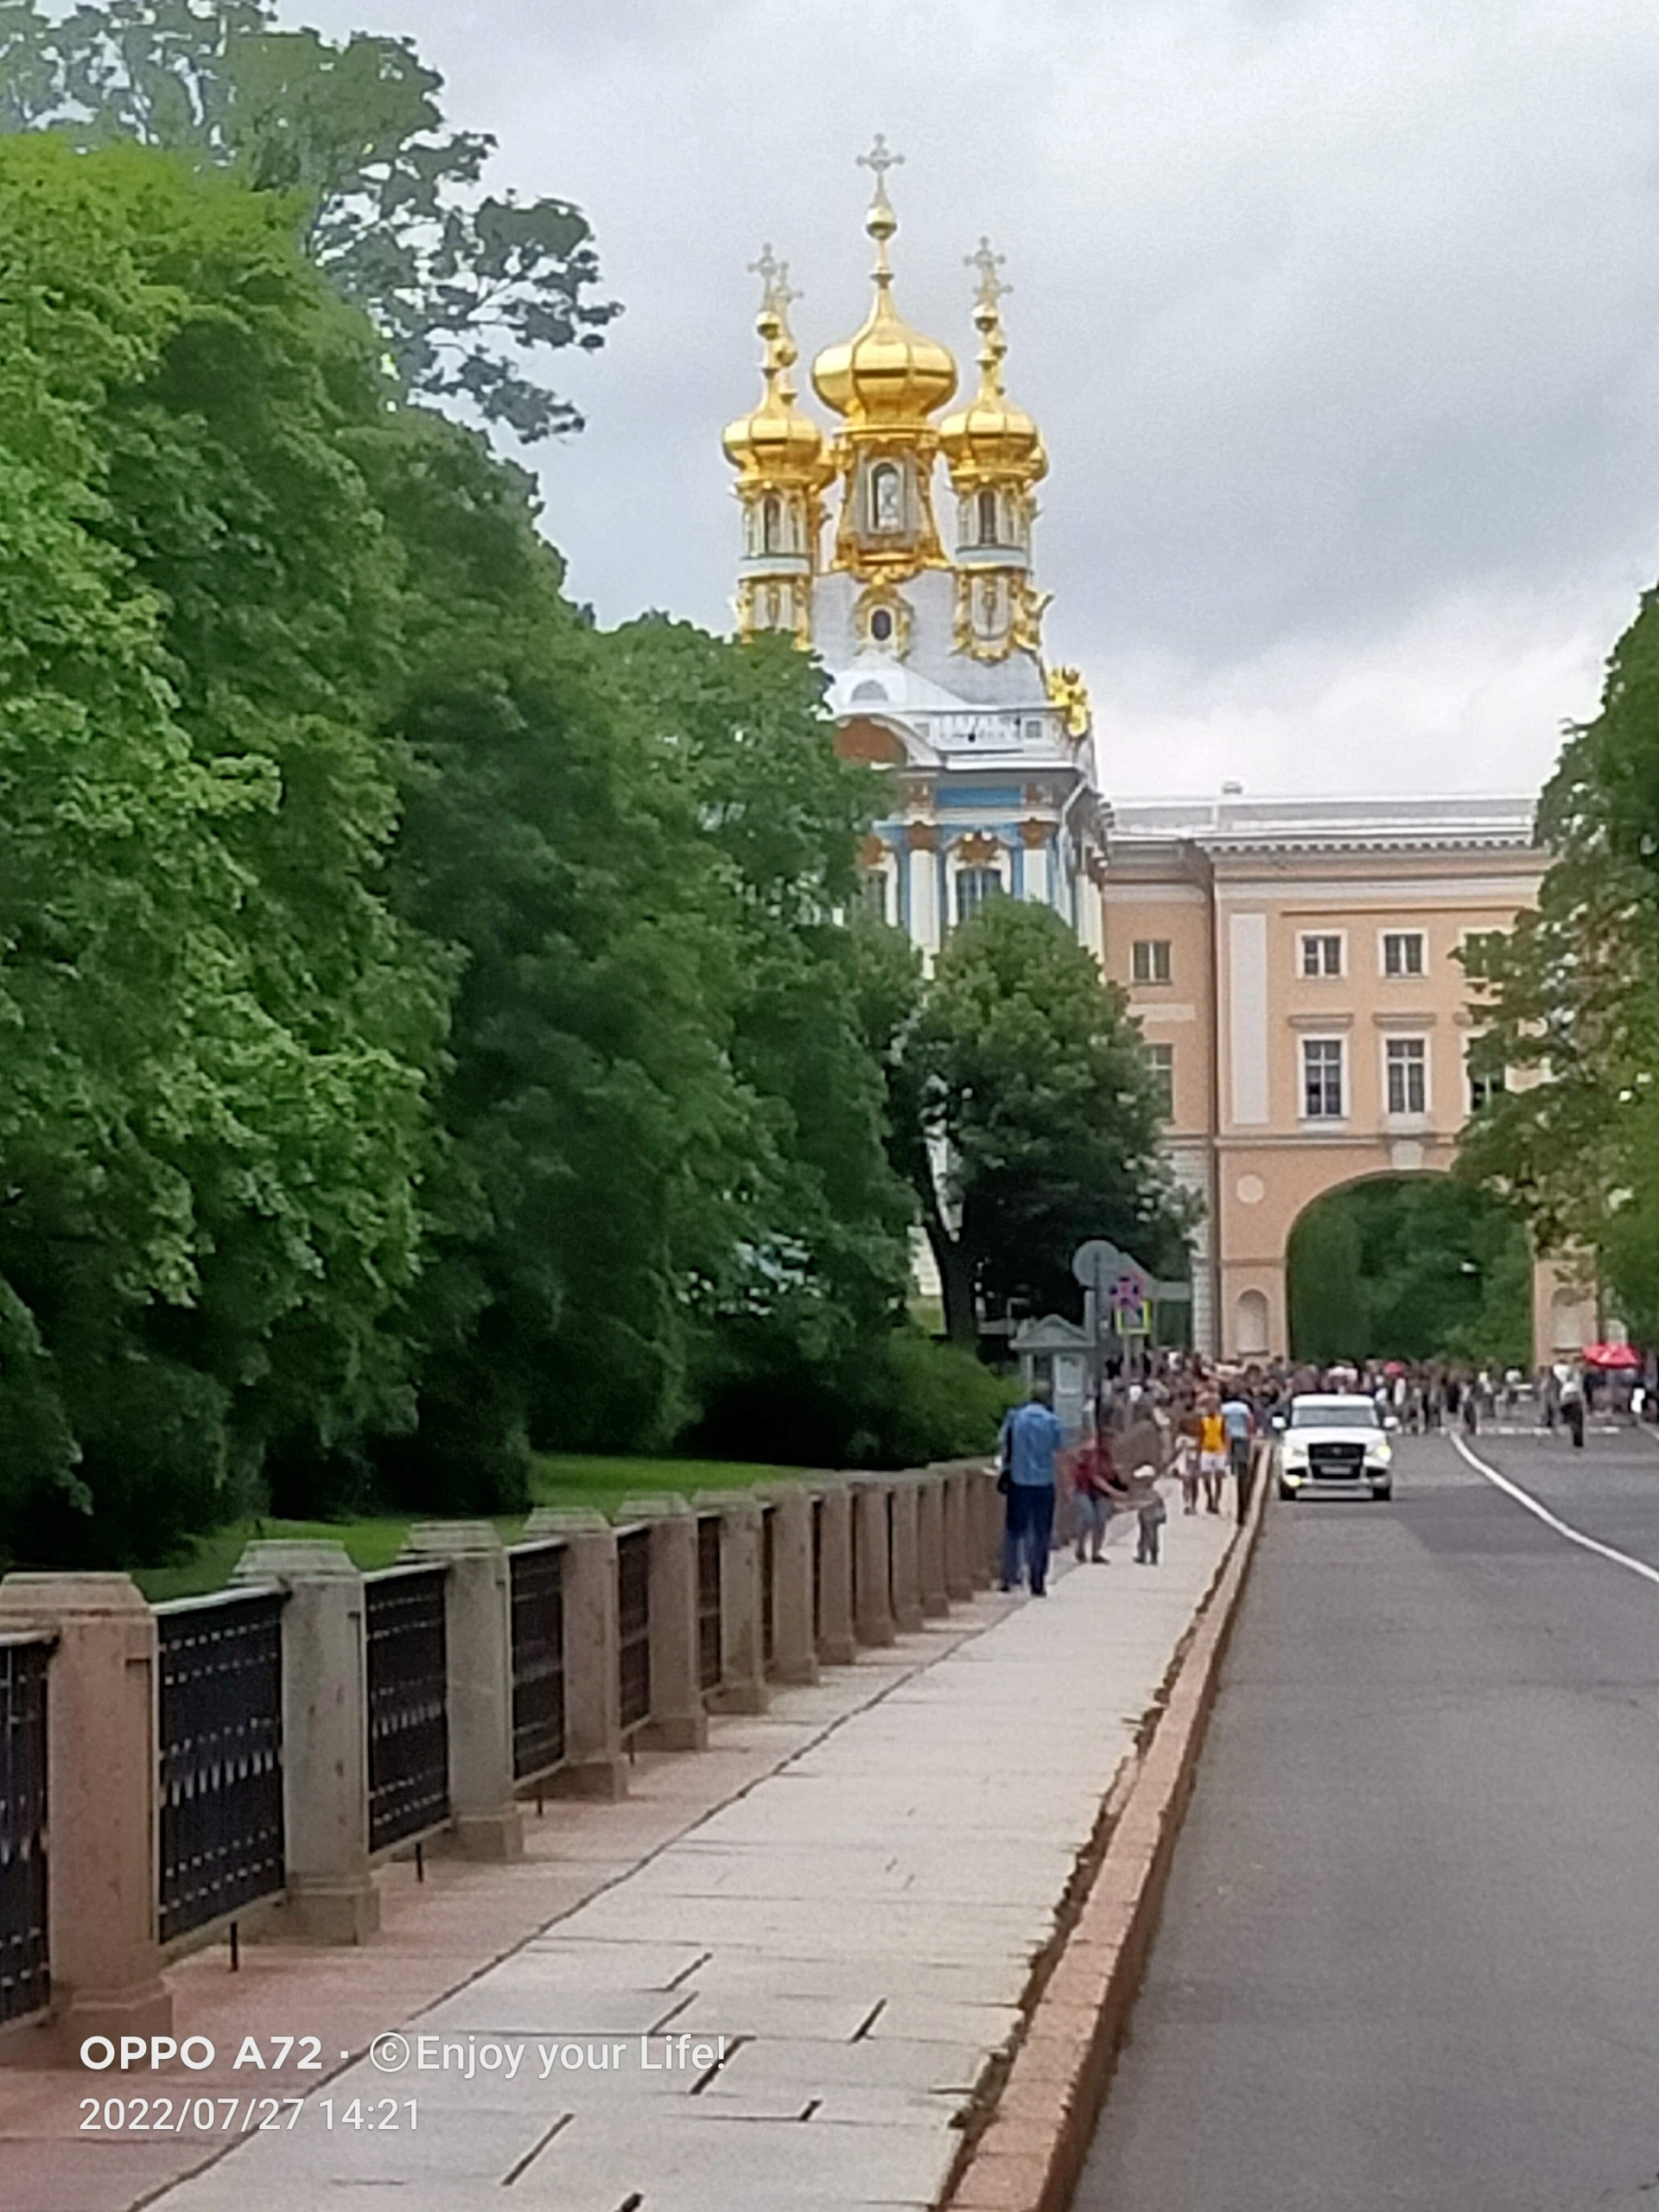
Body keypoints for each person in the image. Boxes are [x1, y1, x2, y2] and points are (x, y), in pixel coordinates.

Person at [997, 1380, 1065, 1595]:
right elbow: (1059, 1450)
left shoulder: (1015, 1417)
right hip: (1044, 1482)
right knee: (1041, 1532)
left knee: (1014, 1531)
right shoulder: (1052, 1421)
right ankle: (1038, 1580)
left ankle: (1010, 1576)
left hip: (1019, 1480)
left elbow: (1002, 1443)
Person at [1068, 1423, 1128, 1563]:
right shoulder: (1093, 1454)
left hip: (1101, 1493)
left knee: (1101, 1519)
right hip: (1084, 1489)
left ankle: (1096, 1551)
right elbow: (1095, 1477)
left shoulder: (1109, 1456)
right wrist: (1115, 1492)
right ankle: (1080, 1546)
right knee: (1088, 1517)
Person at [1128, 1463, 1167, 1564]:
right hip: (1153, 1513)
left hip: (1148, 1514)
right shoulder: (1154, 1491)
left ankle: (1147, 1554)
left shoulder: (1148, 1491)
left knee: (1147, 1534)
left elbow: (1139, 1502)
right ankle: (1149, 1554)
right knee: (1150, 1534)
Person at [1197, 1397, 1228, 1514]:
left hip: (1219, 1450)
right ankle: (1209, 1498)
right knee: (1206, 1477)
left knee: (1219, 1477)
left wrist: (1226, 1451)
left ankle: (1216, 1502)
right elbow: (1201, 1436)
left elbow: (1224, 1435)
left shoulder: (1221, 1420)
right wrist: (1199, 1452)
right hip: (1206, 1450)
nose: (1211, 1409)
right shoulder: (1203, 1421)